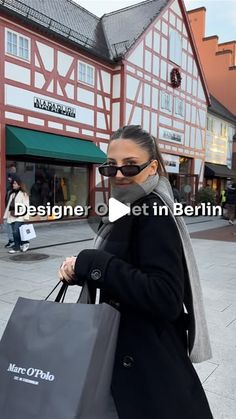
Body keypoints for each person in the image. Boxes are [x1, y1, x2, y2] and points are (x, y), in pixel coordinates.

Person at [58, 125, 213, 419]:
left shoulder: (154, 213)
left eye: (130, 167)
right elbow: (124, 265)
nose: (118, 175)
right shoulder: (124, 207)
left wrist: (93, 263)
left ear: (152, 166)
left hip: (142, 357)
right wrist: (80, 268)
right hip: (120, 346)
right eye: (110, 167)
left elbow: (165, 296)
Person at [3, 176, 30, 254]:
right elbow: (9, 206)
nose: (13, 185)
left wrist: (26, 217)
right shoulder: (12, 194)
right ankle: (20, 245)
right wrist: (6, 216)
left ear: (19, 184)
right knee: (16, 232)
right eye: (13, 184)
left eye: (15, 183)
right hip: (12, 215)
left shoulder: (24, 194)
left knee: (15, 231)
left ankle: (21, 245)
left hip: (20, 216)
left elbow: (26, 206)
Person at [4, 173, 16, 248]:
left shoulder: (16, 188)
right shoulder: (9, 187)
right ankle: (11, 240)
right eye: (8, 178)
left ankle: (15, 241)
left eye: (10, 178)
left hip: (14, 210)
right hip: (8, 209)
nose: (9, 179)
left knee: (13, 225)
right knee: (7, 224)